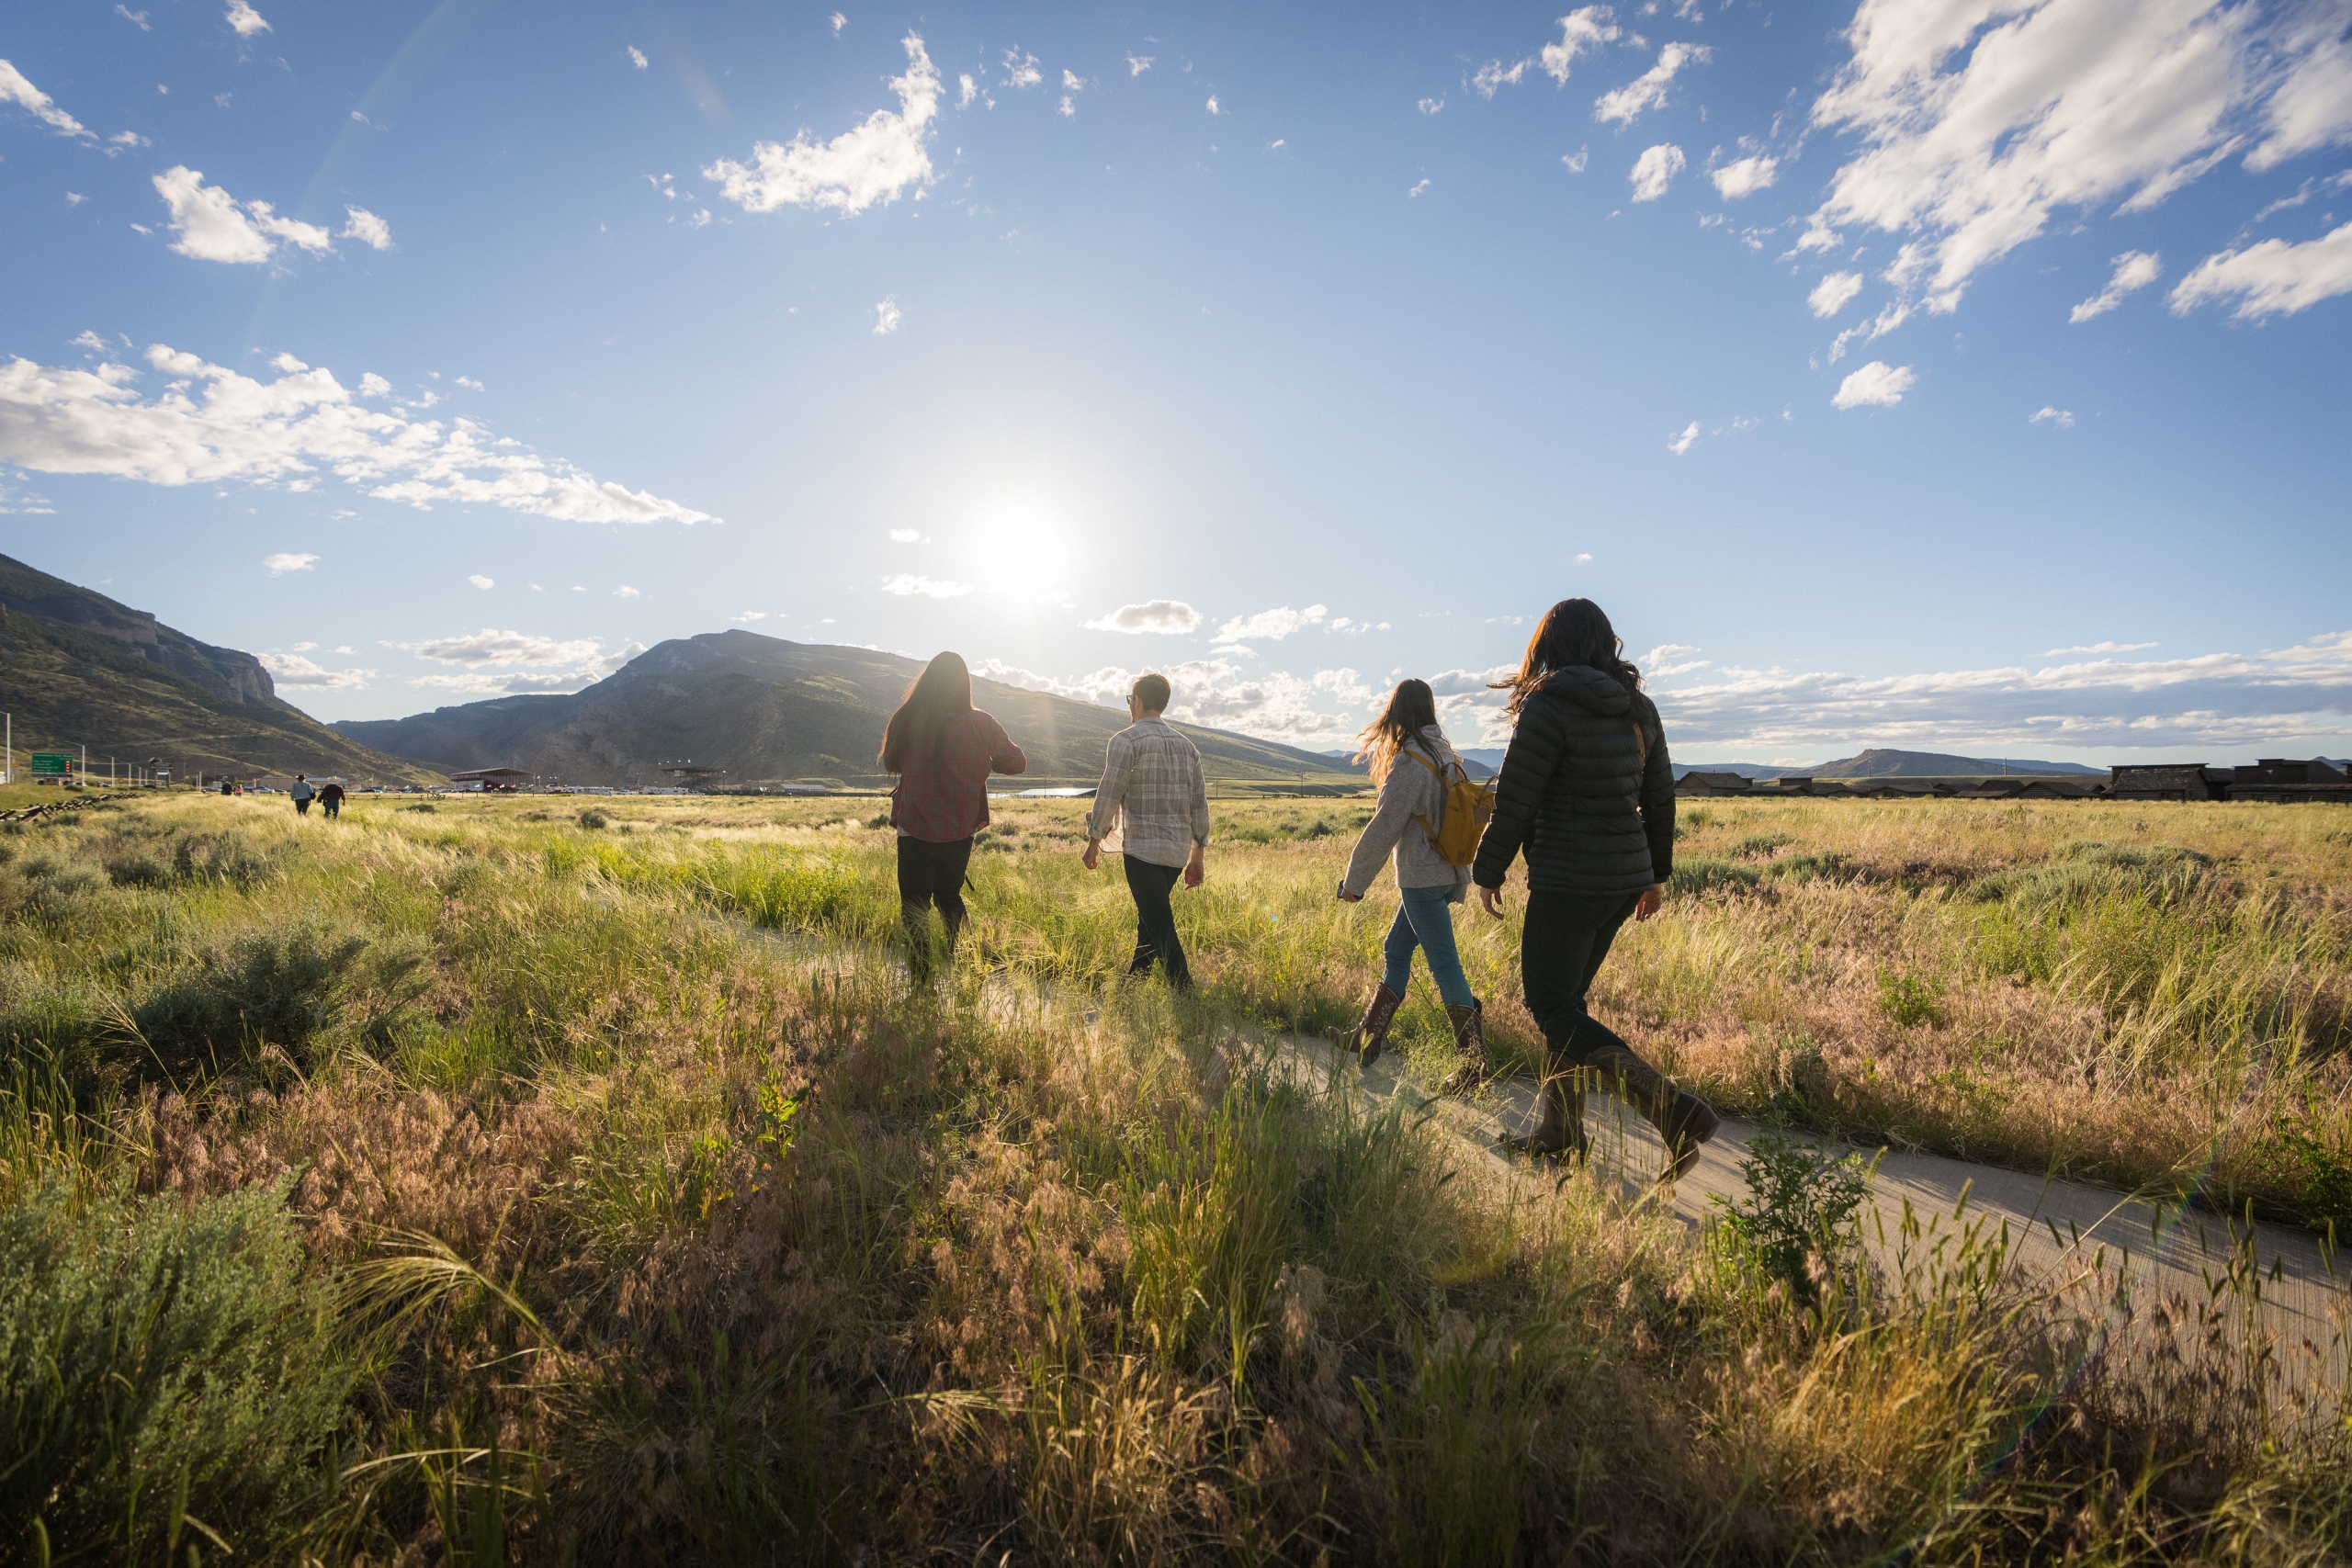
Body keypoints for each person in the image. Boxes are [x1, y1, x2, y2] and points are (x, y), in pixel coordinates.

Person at [1471, 598, 1719, 1181]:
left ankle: (1675, 1111)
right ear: (1606, 645)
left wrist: (1487, 872)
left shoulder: (1547, 704)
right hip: (1621, 883)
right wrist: (1656, 876)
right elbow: (1661, 799)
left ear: (1546, 646)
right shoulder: (1639, 709)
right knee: (1567, 1009)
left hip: (1568, 880)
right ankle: (1561, 1132)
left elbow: (1515, 800)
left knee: (1549, 1005)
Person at [1329, 679, 1487, 1092]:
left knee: (1445, 965)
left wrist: (1354, 882)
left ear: (1397, 714)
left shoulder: (1411, 762)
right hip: (1447, 874)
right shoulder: (1448, 756)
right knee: (1396, 949)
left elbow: (1384, 827)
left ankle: (1474, 1066)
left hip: (1421, 879)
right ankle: (1366, 1040)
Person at [880, 651, 1027, 978]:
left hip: (914, 828)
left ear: (928, 680)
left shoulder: (906, 717)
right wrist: (986, 760)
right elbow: (1017, 762)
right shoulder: (981, 722)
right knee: (949, 897)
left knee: (914, 907)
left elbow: (890, 762)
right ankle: (966, 969)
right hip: (960, 830)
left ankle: (921, 983)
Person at [1081, 673, 1208, 990]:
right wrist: (1197, 857)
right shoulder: (1188, 747)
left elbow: (1109, 793)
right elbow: (1199, 806)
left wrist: (1094, 842)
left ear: (1136, 702)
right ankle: (1131, 988)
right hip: (1176, 854)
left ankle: (1187, 997)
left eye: (1129, 700)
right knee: (1149, 922)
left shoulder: (1126, 740)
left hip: (1142, 851)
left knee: (1159, 924)